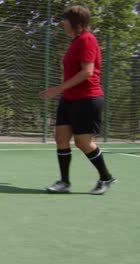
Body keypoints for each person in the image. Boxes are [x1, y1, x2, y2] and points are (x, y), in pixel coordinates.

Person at [39, 5, 116, 195]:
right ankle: (64, 182)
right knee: (61, 138)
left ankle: (106, 177)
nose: (62, 23)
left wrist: (57, 89)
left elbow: (87, 72)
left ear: (75, 22)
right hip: (69, 99)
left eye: (64, 19)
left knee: (83, 142)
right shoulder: (75, 42)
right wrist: (61, 92)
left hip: (87, 99)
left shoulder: (87, 40)